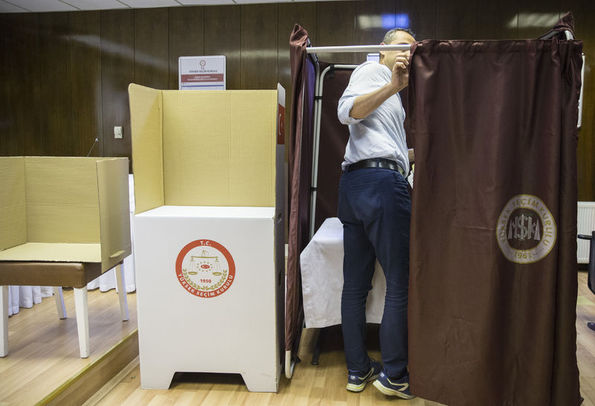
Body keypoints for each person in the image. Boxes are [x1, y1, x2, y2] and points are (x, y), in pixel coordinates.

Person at [336, 27, 416, 399]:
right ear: (381, 49)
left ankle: (358, 370)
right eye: (402, 45)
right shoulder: (374, 71)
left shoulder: (390, 89)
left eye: (413, 49)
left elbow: (386, 144)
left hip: (357, 183)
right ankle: (395, 375)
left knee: (355, 285)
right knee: (400, 281)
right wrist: (394, 85)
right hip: (381, 185)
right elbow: (347, 112)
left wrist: (412, 154)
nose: (408, 52)